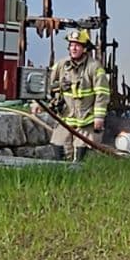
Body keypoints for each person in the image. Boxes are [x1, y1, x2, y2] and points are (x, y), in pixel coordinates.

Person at [36, 27, 110, 162]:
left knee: (81, 154)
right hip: (65, 119)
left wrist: (99, 117)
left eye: (77, 45)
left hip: (86, 121)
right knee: (59, 148)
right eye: (71, 45)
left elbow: (102, 93)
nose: (74, 48)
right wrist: (36, 103)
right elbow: (44, 83)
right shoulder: (61, 65)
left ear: (85, 48)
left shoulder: (94, 67)